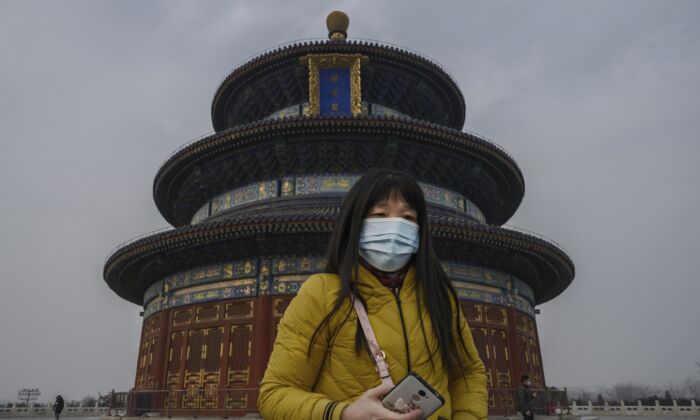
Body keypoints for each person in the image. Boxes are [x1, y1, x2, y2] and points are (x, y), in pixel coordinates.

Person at [258, 168, 488, 419]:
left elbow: (467, 374)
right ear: (355, 225)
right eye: (380, 214)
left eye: (409, 218)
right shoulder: (323, 294)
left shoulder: (438, 296)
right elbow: (275, 395)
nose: (395, 226)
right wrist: (342, 414)